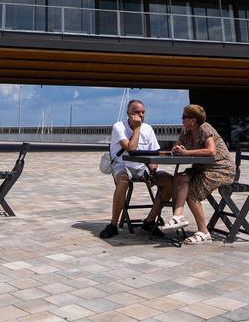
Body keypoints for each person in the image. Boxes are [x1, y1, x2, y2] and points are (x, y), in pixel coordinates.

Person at [99, 99, 172, 239]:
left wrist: (153, 172)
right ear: (128, 113)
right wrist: (137, 128)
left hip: (142, 167)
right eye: (136, 112)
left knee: (169, 181)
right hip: (122, 165)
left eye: (143, 112)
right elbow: (131, 148)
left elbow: (155, 154)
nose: (140, 115)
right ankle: (113, 224)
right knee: (123, 182)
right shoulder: (119, 127)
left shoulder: (148, 128)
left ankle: (150, 221)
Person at [163, 104, 235, 244]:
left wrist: (186, 153)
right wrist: (177, 148)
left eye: (184, 117)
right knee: (179, 178)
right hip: (201, 168)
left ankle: (204, 232)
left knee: (192, 194)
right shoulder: (186, 131)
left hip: (221, 170)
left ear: (193, 120)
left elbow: (211, 151)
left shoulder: (205, 128)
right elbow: (176, 146)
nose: (181, 119)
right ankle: (178, 216)